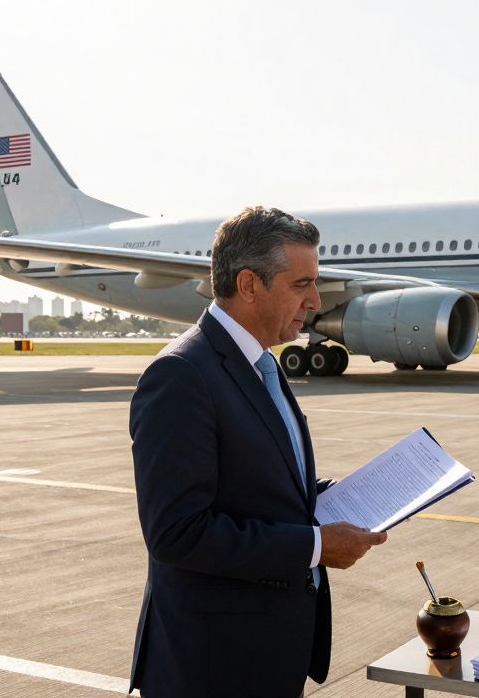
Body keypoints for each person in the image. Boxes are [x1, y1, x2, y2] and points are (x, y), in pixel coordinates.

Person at [128, 206, 387, 697]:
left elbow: (259, 486)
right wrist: (315, 546)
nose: (315, 300)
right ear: (249, 285)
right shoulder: (181, 376)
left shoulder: (260, 363)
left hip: (266, 651)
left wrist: (355, 494)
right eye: (301, 284)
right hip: (212, 665)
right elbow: (176, 533)